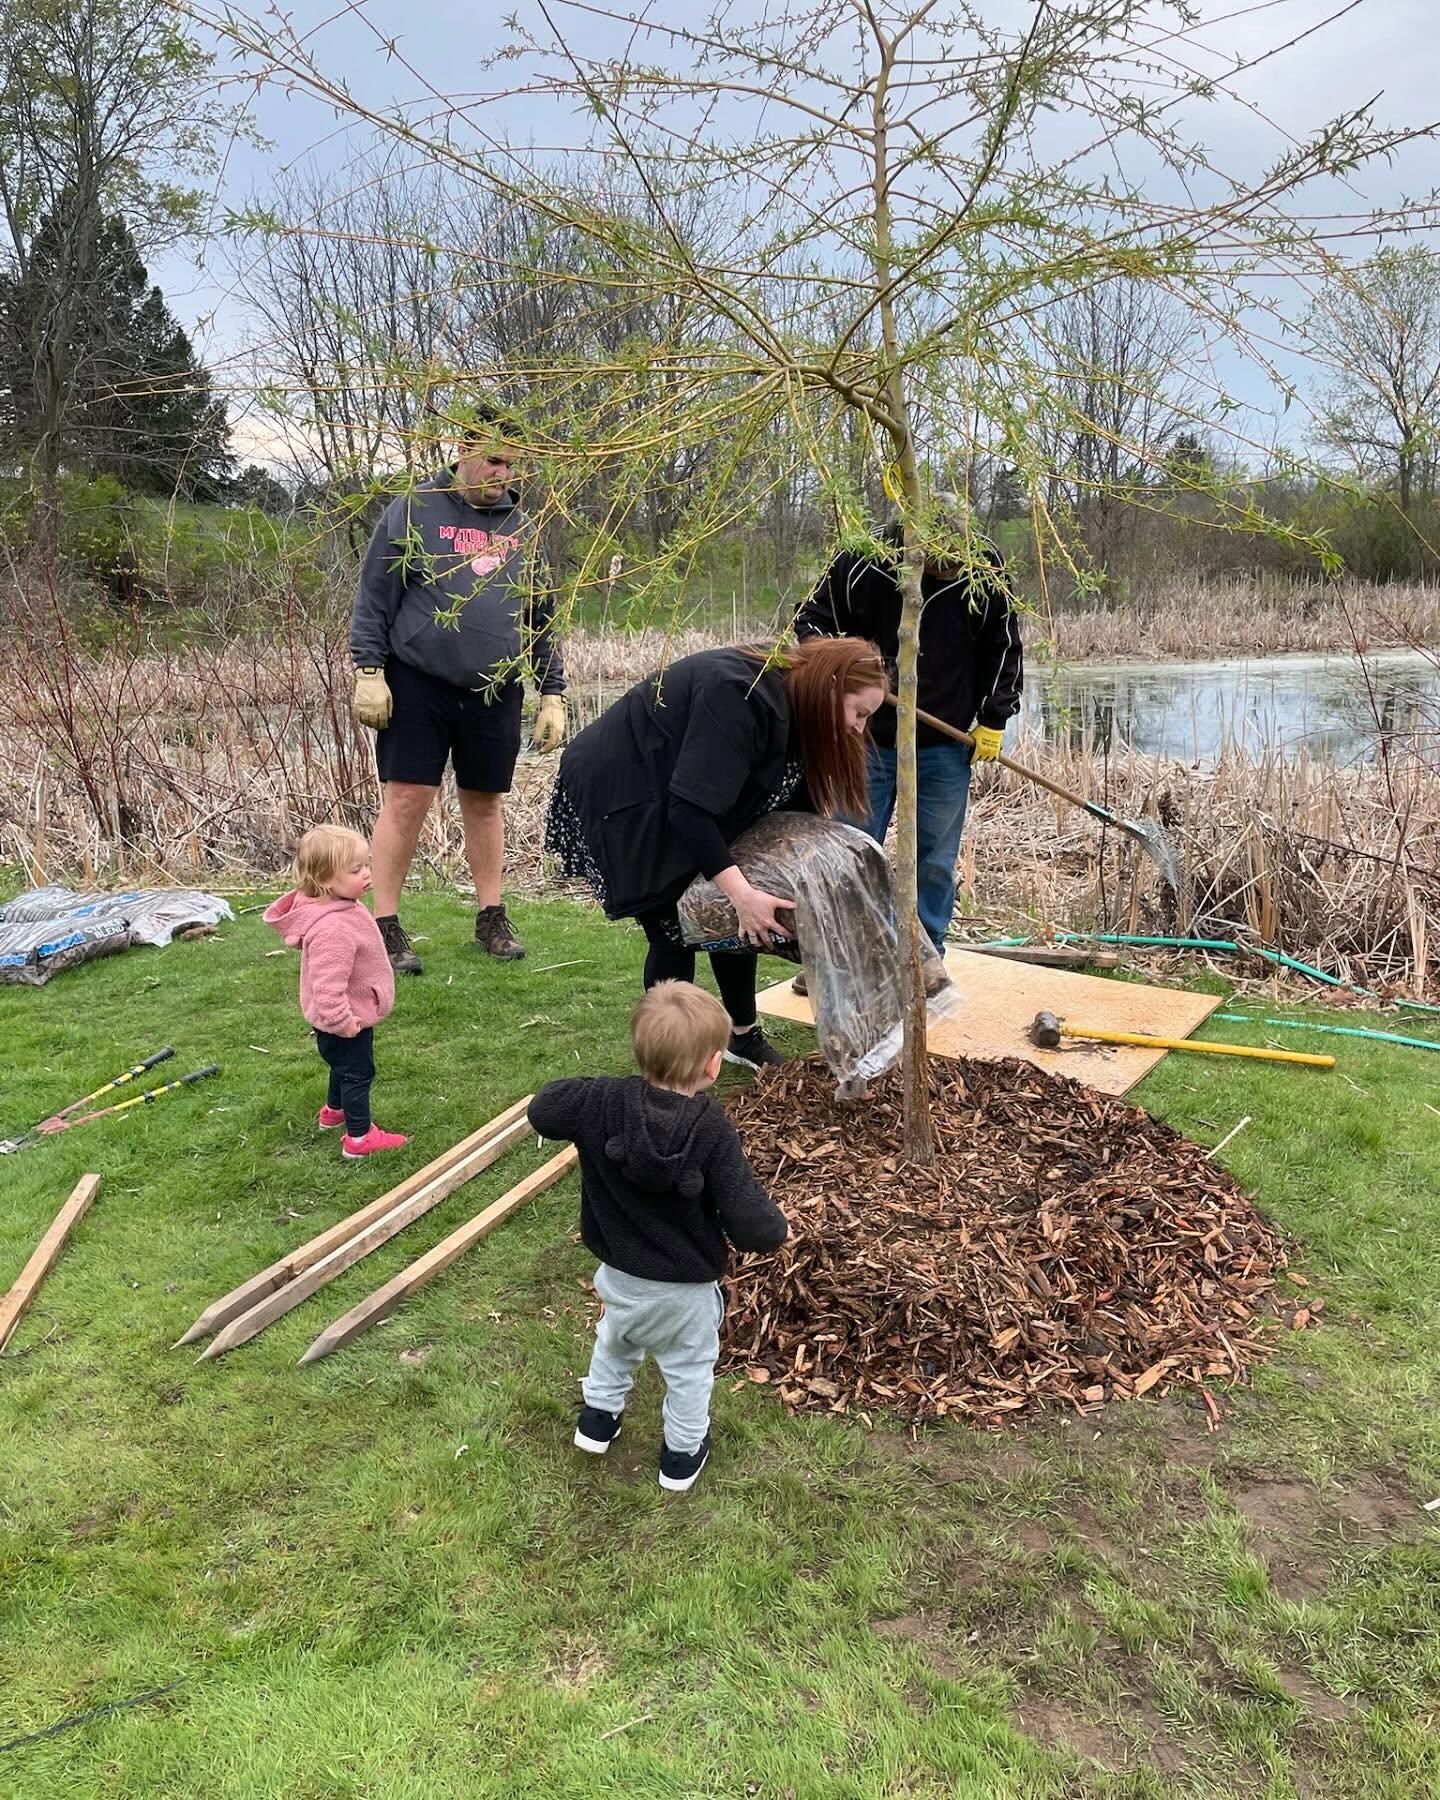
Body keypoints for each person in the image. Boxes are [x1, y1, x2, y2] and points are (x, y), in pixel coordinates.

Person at [544, 636, 888, 1069]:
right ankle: (668, 1066)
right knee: (671, 923)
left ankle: (742, 1036)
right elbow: (688, 811)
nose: (859, 728)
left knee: (730, 918)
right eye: (859, 713)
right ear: (831, 685)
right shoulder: (742, 694)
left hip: (686, 793)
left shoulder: (800, 706)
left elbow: (789, 814)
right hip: (625, 790)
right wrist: (742, 895)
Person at [528, 980, 788, 1492]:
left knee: (615, 1341)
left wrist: (610, 1090)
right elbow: (750, 1220)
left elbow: (544, 1108)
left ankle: (597, 1423)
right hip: (684, 1292)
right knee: (689, 1369)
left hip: (619, 1276)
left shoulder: (600, 1101)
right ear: (714, 1065)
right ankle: (681, 1456)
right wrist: (775, 1230)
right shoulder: (711, 1128)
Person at [350, 409, 567, 975]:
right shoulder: (415, 508)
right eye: (493, 459)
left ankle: (490, 917)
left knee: (486, 802)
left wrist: (553, 691)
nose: (502, 473)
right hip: (416, 682)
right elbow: (376, 593)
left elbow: (539, 614)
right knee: (407, 799)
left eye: (512, 464)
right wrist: (369, 670)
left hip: (494, 688)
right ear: (463, 449)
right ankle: (386, 925)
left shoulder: (523, 527)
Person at [794, 494, 1023, 953]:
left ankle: (926, 956)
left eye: (957, 560)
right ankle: (845, 955)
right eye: (940, 562)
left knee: (935, 860)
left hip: (944, 740)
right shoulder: (862, 561)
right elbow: (809, 621)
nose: (951, 569)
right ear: (910, 546)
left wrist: (994, 717)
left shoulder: (985, 567)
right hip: (867, 739)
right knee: (851, 851)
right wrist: (840, 670)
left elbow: (1005, 645)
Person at [263, 824, 407, 1160]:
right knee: (358, 1072)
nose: (367, 874)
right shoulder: (333, 928)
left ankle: (334, 1111)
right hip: (345, 1018)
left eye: (366, 865)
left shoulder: (338, 905)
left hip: (339, 1017)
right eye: (356, 870)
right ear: (326, 879)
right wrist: (344, 1021)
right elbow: (328, 987)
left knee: (340, 1065)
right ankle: (359, 1137)